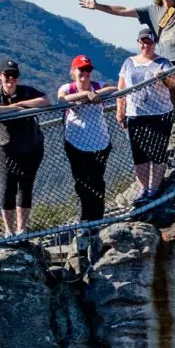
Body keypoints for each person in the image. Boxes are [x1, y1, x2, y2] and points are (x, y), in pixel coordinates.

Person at [0, 61, 53, 235]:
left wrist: (25, 105)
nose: (10, 79)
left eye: (14, 75)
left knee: (26, 187)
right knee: (7, 188)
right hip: (4, 148)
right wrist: (13, 108)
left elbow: (46, 100)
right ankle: (8, 231)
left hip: (31, 146)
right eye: (6, 75)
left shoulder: (26, 91)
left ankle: (22, 230)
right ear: (0, 76)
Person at [115, 29, 175, 202]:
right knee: (139, 153)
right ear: (138, 43)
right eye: (142, 42)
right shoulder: (128, 62)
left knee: (158, 152)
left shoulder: (163, 63)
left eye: (148, 42)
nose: (145, 45)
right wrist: (121, 110)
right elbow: (121, 88)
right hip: (135, 114)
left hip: (160, 114)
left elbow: (172, 83)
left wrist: (163, 78)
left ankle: (154, 187)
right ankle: (144, 188)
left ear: (154, 43)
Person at [58, 55, 117, 226]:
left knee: (97, 181)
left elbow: (113, 89)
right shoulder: (68, 88)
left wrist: (94, 93)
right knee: (82, 183)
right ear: (73, 71)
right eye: (81, 70)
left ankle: (97, 219)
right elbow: (62, 99)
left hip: (100, 143)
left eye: (88, 70)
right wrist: (86, 94)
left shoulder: (98, 86)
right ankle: (85, 220)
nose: (85, 73)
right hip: (75, 143)